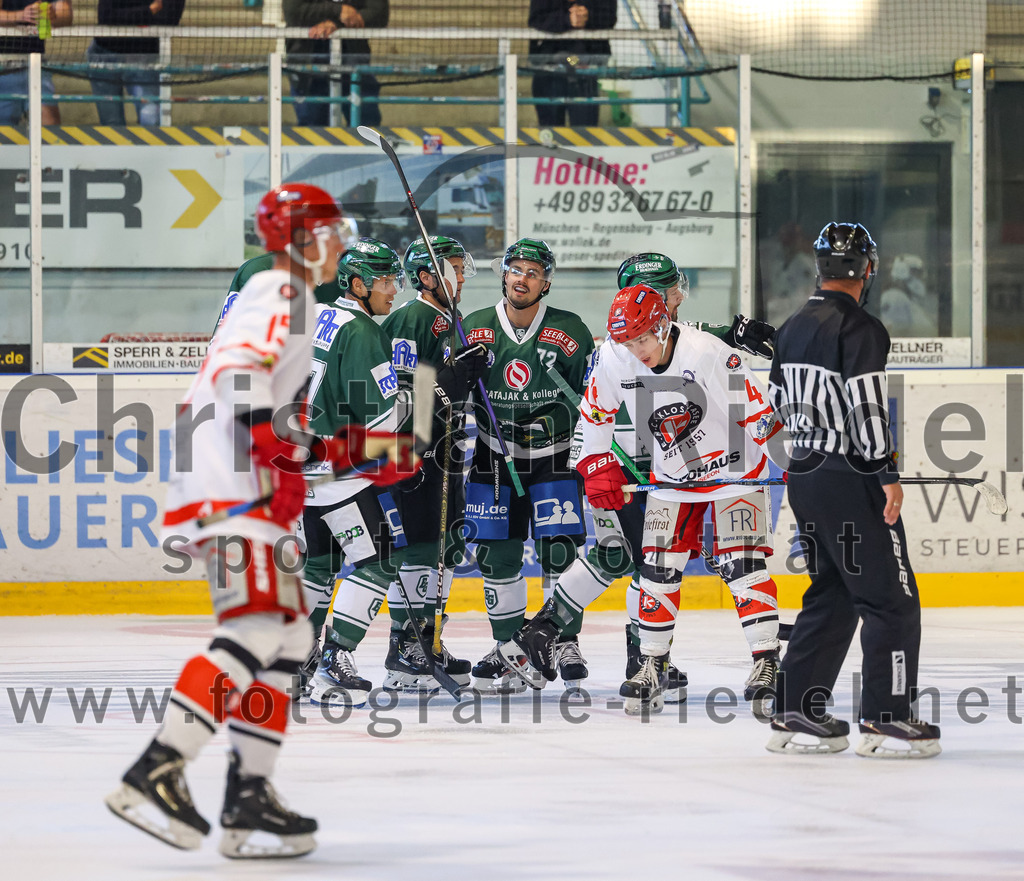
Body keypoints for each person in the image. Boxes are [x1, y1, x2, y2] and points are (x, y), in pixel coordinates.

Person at [105, 184, 406, 857]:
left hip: (238, 476)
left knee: (292, 635)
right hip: (232, 483)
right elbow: (242, 385)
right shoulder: (283, 291)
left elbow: (272, 409)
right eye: (332, 231)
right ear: (305, 237)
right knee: (258, 626)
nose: (342, 244)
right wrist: (298, 455)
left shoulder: (290, 295)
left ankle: (249, 793)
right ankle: (157, 765)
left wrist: (357, 451)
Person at [503, 254, 779, 714]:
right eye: (627, 340)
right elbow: (594, 416)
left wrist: (795, 463)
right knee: (656, 570)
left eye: (644, 338)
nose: (637, 349)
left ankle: (766, 661)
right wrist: (594, 465)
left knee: (743, 565)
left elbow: (758, 414)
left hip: (735, 473)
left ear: (665, 326)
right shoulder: (615, 353)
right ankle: (651, 664)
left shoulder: (709, 352)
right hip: (670, 478)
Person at [766, 222, 941, 758]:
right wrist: (885, 474)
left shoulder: (793, 325)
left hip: (806, 477)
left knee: (833, 593)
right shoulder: (863, 328)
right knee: (892, 601)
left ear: (819, 268)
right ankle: (886, 717)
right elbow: (866, 408)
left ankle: (795, 708)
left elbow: (775, 403)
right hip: (850, 477)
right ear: (869, 268)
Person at [302, 238, 485, 706]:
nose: (392, 289)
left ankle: (293, 664)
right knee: (379, 561)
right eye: (384, 281)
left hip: (305, 465)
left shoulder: (324, 316)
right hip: (341, 469)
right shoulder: (363, 332)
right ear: (358, 284)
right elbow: (385, 421)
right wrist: (444, 386)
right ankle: (334, 657)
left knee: (319, 570)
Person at [462, 238, 595, 693]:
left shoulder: (571, 331)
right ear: (503, 274)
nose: (522, 278)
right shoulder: (473, 327)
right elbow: (447, 393)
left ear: (547, 282)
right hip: (492, 457)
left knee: (558, 552)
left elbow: (593, 399)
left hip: (553, 456)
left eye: (533, 272)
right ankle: (510, 651)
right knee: (496, 556)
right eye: (515, 269)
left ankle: (562, 640)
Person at [377, 235, 482, 692]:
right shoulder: (412, 317)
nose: (460, 277)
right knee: (419, 547)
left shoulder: (448, 319)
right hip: (415, 451)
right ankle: (406, 646)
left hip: (446, 447)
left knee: (444, 548)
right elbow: (401, 392)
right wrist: (448, 385)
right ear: (426, 277)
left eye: (461, 268)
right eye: (452, 268)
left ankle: (428, 637)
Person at [283, 0, 387, 127]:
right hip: (308, 68)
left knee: (366, 124)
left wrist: (336, 24)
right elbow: (293, 11)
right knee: (313, 128)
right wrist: (339, 11)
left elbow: (379, 14)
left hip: (354, 64)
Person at [87, 0, 185, 126]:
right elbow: (107, 16)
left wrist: (127, 17)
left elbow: (168, 20)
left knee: (151, 118)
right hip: (105, 54)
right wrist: (149, 11)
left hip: (145, 58)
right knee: (111, 123)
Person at [528, 0, 616, 127]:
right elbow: (535, 19)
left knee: (585, 133)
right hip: (549, 69)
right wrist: (567, 19)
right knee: (551, 133)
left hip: (583, 72)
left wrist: (587, 17)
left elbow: (609, 18)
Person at [0, 0, 73, 125]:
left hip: (37, 65)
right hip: (4, 65)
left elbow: (66, 14)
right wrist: (22, 15)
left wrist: (52, 14)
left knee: (50, 122)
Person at [760, 221, 817, 328]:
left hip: (795, 321)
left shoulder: (805, 265)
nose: (787, 242)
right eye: (784, 237)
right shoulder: (777, 263)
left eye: (791, 237)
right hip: (774, 321)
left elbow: (804, 297)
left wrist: (775, 304)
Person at [879, 253, 938, 337]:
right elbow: (897, 331)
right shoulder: (894, 297)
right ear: (902, 272)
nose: (922, 277)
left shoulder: (913, 299)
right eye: (916, 272)